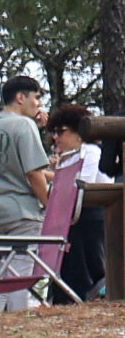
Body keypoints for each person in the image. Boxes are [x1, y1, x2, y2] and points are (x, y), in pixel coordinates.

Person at [0, 76, 53, 315]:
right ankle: (17, 322)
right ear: (21, 97)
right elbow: (34, 173)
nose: (39, 105)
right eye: (36, 98)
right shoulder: (23, 125)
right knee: (20, 273)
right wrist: (49, 205)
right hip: (21, 212)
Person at [45, 104, 108, 300]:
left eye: (61, 131)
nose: (56, 137)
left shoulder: (90, 152)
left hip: (89, 217)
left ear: (78, 132)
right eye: (54, 132)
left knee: (87, 269)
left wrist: (49, 176)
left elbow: (83, 185)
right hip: (69, 219)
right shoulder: (66, 158)